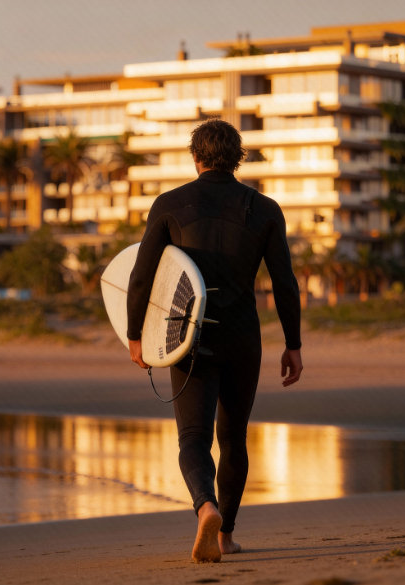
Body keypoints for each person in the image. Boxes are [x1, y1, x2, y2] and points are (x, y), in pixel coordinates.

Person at [125, 119, 303, 563]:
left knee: (193, 436)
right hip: (243, 336)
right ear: (237, 158)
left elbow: (141, 276)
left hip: (190, 336)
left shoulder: (169, 204)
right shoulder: (265, 208)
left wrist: (135, 335)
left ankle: (206, 507)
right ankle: (225, 536)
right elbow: (285, 282)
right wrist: (293, 344)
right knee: (234, 438)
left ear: (195, 157)